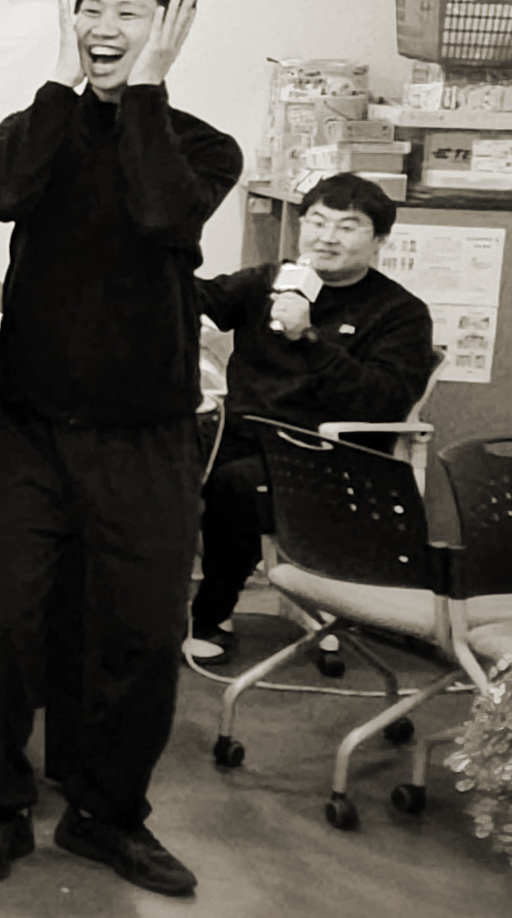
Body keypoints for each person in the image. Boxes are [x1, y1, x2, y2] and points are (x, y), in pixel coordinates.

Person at [0, 0, 242, 897]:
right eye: (92, 10)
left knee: (138, 635)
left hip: (144, 434)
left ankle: (106, 815)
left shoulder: (201, 147)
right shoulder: (35, 126)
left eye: (129, 14)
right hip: (26, 427)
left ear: (171, 29)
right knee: (2, 626)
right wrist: (56, 85)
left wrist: (143, 91)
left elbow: (160, 214)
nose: (103, 29)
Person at [186, 174, 438, 662]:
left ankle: (213, 612)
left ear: (380, 240)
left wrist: (309, 339)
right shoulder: (267, 282)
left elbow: (381, 401)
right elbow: (200, 298)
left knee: (234, 485)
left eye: (348, 227)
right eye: (318, 222)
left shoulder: (400, 313)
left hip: (328, 455)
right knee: (148, 459)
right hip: (241, 433)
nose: (327, 237)